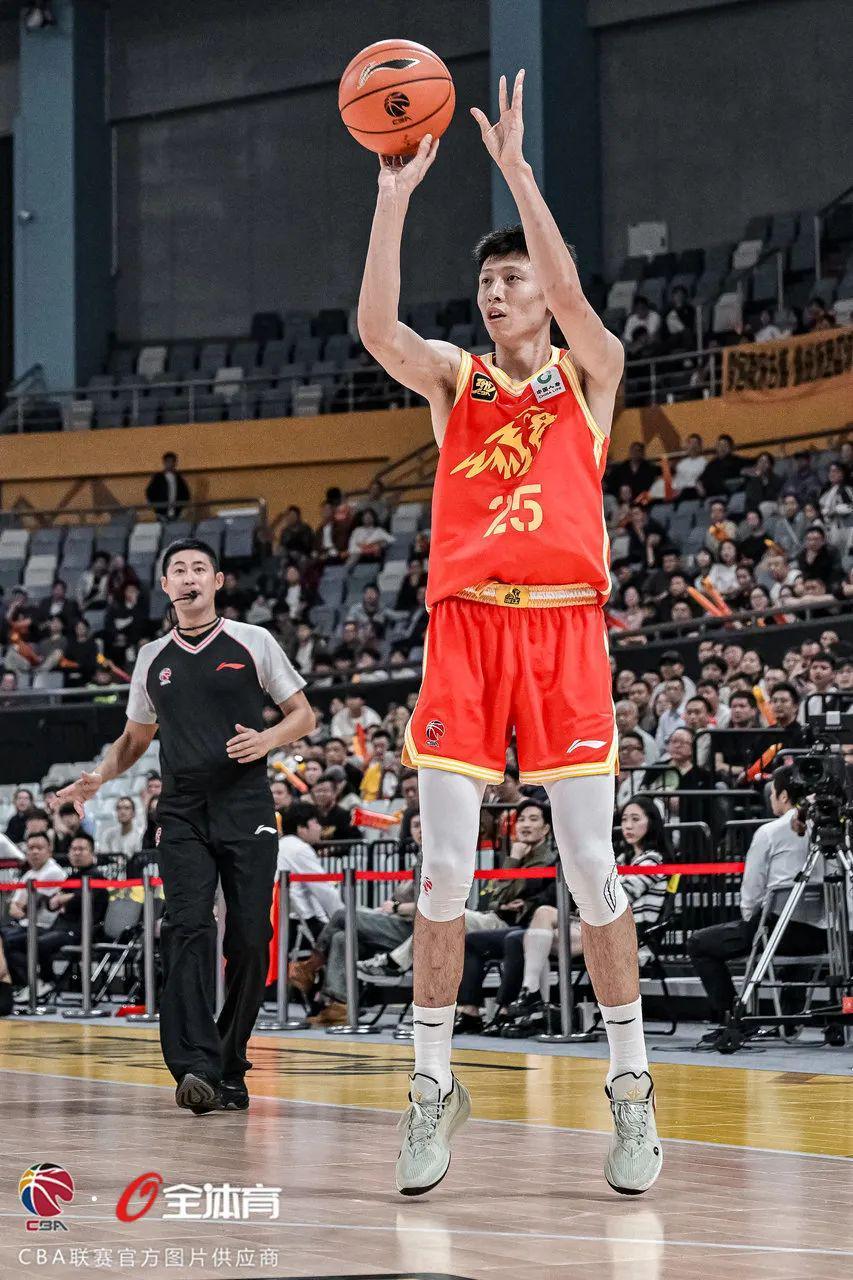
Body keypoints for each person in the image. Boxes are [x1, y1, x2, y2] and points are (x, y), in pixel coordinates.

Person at [358, 70, 661, 1197]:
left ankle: (630, 1086)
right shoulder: (457, 381)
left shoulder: (592, 376)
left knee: (590, 866)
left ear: (544, 288)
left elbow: (575, 291)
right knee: (443, 867)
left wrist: (518, 174)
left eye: (512, 278)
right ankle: (430, 1086)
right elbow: (377, 328)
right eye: (486, 280)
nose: (496, 292)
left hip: (565, 634)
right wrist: (394, 197)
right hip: (466, 634)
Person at [57, 538, 313, 1115]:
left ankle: (230, 1061)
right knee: (187, 927)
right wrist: (97, 778)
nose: (190, 576)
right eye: (179, 569)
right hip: (181, 811)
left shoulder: (253, 641)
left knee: (250, 939)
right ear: (166, 585)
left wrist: (267, 740)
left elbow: (303, 715)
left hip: (246, 804)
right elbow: (134, 739)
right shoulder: (151, 657)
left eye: (200, 568)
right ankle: (196, 1066)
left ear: (217, 581)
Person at [688, 766, 826, 1041]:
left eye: (773, 792)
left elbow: (751, 890)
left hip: (774, 931)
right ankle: (789, 1020)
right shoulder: (828, 832)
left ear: (783, 796)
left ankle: (733, 1017)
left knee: (699, 943)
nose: (771, 798)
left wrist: (752, 923)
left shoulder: (769, 832)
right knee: (790, 927)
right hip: (821, 934)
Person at [0, 831, 66, 995]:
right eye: (30, 848)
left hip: (45, 927)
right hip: (24, 925)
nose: (34, 852)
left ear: (49, 850)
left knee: (8, 942)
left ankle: (33, 982)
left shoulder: (53, 871)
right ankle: (24, 983)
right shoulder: (29, 873)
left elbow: (29, 907)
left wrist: (20, 908)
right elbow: (13, 908)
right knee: (3, 939)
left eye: (39, 848)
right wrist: (19, 908)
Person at [146, 451, 190, 521]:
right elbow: (149, 492)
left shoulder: (178, 478)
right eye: (168, 462)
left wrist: (181, 507)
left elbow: (186, 494)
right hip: (161, 513)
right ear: (164, 463)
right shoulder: (158, 477)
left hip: (176, 513)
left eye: (172, 462)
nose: (170, 464)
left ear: (175, 463)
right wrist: (156, 508)